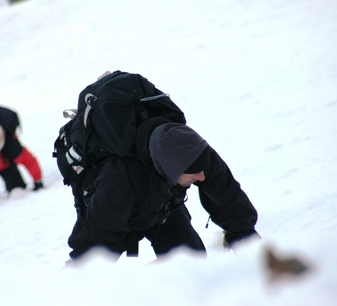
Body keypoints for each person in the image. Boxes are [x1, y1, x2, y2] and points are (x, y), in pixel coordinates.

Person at [66, 102, 259, 262]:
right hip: (122, 211)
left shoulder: (195, 151)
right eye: (193, 173)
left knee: (191, 262)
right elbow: (89, 250)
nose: (201, 176)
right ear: (171, 169)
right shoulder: (118, 185)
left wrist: (247, 243)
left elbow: (228, 197)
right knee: (95, 272)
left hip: (161, 205)